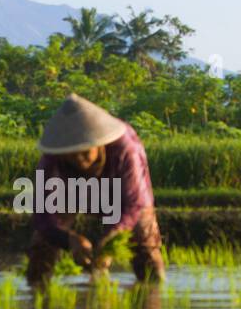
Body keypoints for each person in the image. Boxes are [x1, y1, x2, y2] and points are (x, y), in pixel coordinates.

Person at [25, 94, 165, 287]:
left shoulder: (126, 149)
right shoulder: (52, 158)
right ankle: (37, 293)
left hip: (122, 195)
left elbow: (135, 204)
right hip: (71, 192)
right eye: (71, 155)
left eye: (84, 152)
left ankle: (152, 296)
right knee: (42, 245)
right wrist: (69, 239)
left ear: (99, 144)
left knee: (145, 245)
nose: (79, 160)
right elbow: (42, 216)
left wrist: (112, 237)